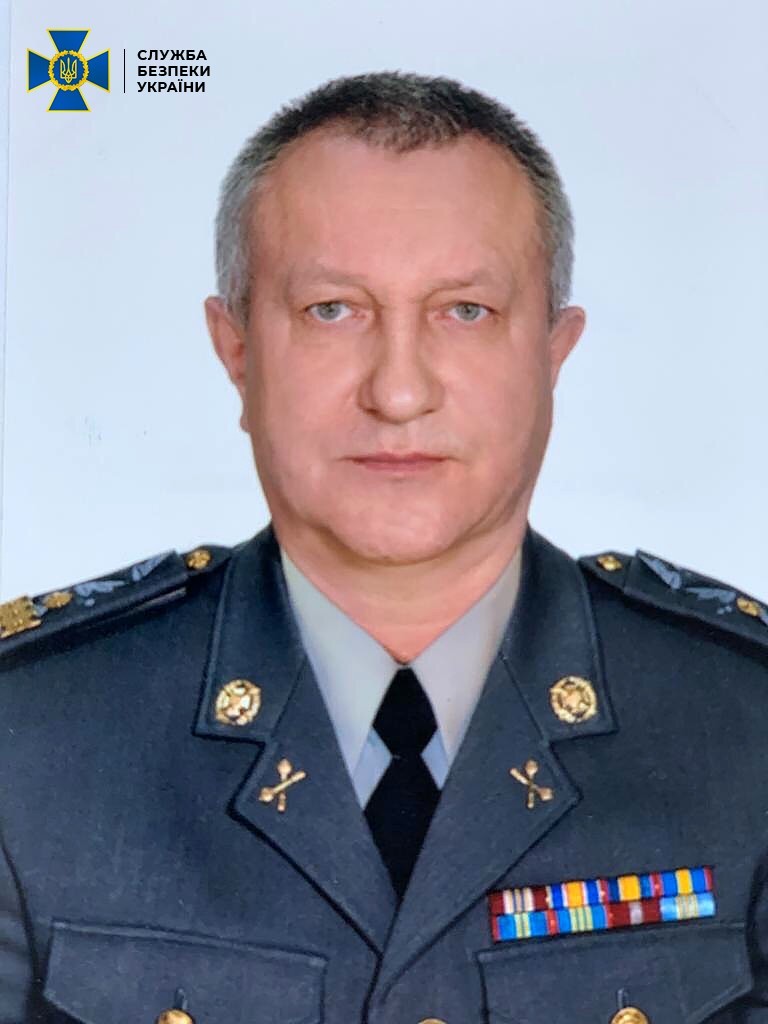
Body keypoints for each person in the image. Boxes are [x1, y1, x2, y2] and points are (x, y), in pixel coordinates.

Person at [0, 70, 766, 1024]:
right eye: (333, 309)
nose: (398, 393)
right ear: (235, 349)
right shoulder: (30, 740)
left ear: (553, 353)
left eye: (465, 311)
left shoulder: (743, 727)